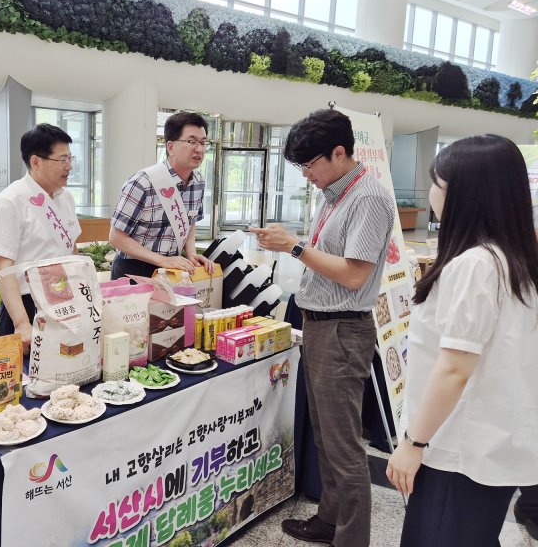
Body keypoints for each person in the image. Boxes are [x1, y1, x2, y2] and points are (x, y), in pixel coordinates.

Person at [249, 109, 395, 547]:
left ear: (339, 152)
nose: (307, 174)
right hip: (320, 325)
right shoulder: (336, 192)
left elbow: (353, 274)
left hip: (342, 330)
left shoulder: (367, 197)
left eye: (311, 164)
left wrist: (293, 246)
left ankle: (351, 538)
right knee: (329, 439)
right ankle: (330, 520)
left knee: (344, 447)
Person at [386, 135, 538, 546]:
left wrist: (413, 443)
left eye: (438, 182)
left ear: (463, 193)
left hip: (456, 446)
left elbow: (454, 369)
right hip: (492, 441)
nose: (432, 191)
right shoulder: (515, 257)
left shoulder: (475, 265)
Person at [0, 124, 80, 353]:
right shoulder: (10, 201)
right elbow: (3, 265)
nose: (69, 166)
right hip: (26, 305)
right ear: (36, 161)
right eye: (62, 160)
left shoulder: (65, 198)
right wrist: (21, 323)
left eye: (70, 158)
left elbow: (72, 249)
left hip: (63, 302)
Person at [109, 111, 215, 280]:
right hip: (133, 269)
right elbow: (116, 237)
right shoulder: (143, 182)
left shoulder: (198, 182)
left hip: (171, 270)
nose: (199, 149)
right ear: (171, 147)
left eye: (203, 142)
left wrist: (191, 253)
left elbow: (190, 222)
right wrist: (162, 260)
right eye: (191, 141)